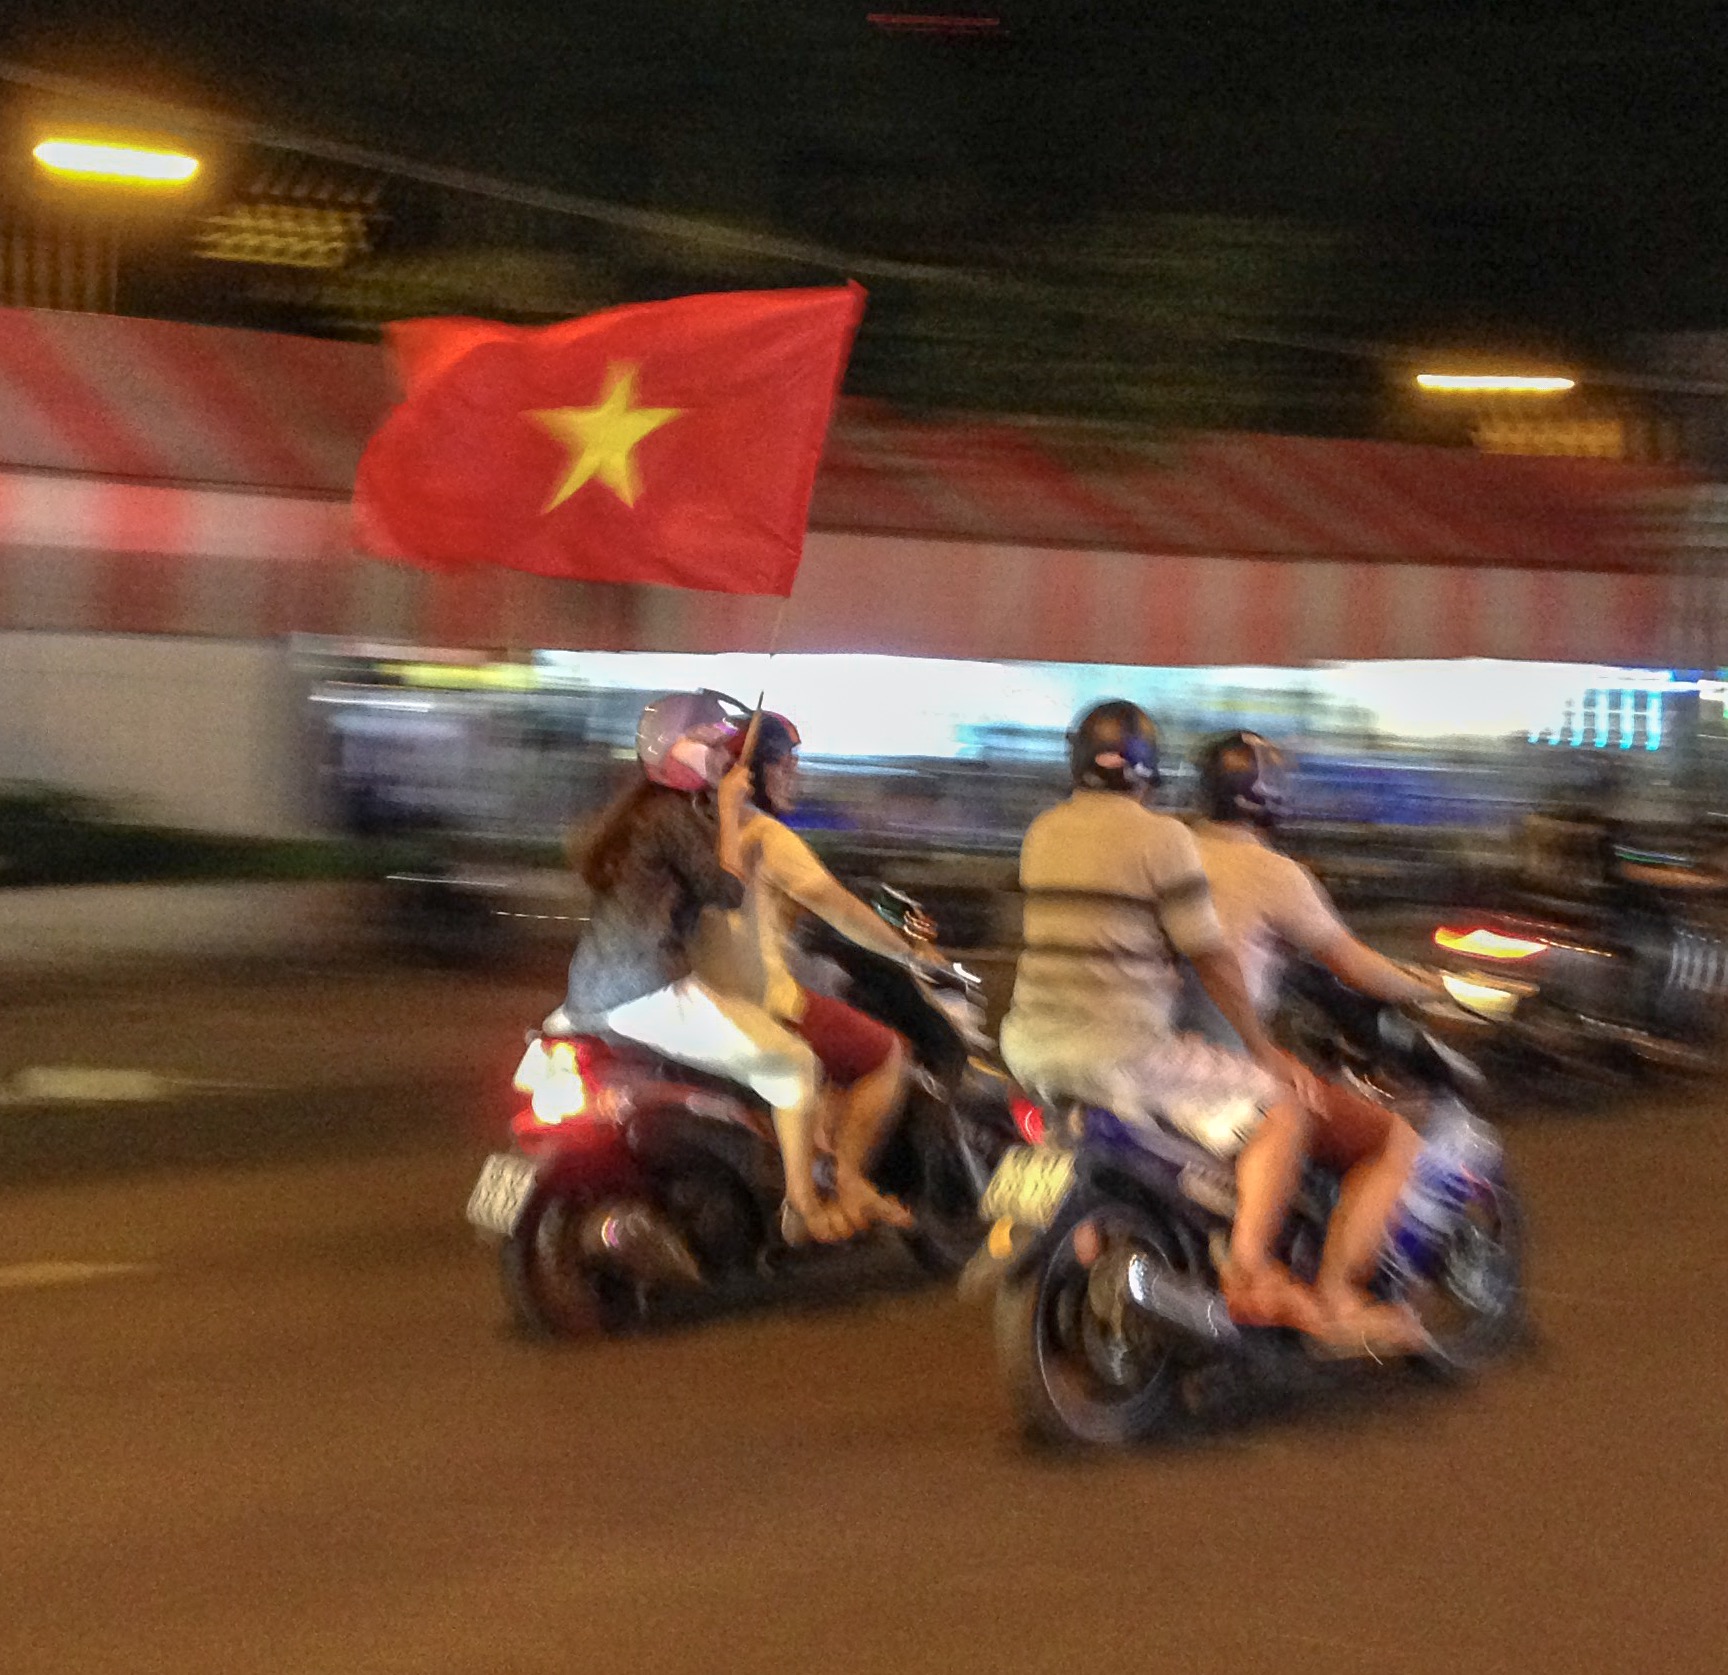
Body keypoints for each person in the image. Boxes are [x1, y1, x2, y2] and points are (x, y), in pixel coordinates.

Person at [998, 700, 1323, 1333]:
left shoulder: (1042, 832)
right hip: (1122, 1053)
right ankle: (1251, 1272)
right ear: (1148, 771)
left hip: (1028, 1048)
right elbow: (1211, 958)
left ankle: (1099, 1248)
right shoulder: (1164, 839)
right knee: (1282, 1112)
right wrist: (1264, 1050)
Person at [1184, 730, 1441, 1355]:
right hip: (1226, 1063)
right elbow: (1352, 964)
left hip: (1150, 1052)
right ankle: (1340, 1299)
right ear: (1268, 797)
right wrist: (1423, 987)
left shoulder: (1171, 850)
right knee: (1392, 1140)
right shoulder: (1274, 872)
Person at [562, 693, 847, 1244]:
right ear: (679, 749)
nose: (725, 757)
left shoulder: (638, 814)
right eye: (714, 745)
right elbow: (727, 889)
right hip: (647, 990)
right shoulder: (670, 817)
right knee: (794, 1065)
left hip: (589, 992)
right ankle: (803, 1207)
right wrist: (732, 808)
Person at [696, 711, 924, 1236]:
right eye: (784, 763)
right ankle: (847, 1180)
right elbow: (837, 906)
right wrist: (907, 951)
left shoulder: (692, 829)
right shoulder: (765, 834)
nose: (793, 774)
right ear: (751, 773)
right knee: (887, 1054)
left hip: (692, 1002)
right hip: (761, 1001)